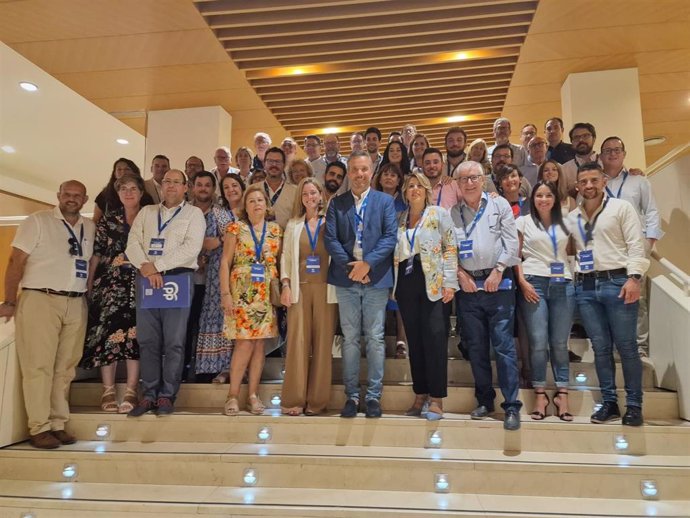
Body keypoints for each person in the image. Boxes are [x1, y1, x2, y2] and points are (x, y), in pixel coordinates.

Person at [1, 180, 95, 448]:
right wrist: (9, 300)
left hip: (75, 301)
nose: (72, 199)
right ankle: (39, 426)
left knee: (65, 368)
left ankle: (57, 422)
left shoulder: (89, 228)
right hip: (41, 298)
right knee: (38, 365)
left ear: (85, 199)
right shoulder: (37, 221)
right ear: (58, 196)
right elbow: (15, 260)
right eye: (67, 194)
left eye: (77, 196)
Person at [567, 162, 649, 426]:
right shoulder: (574, 218)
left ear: (603, 181)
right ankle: (610, 402)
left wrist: (634, 278)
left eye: (594, 180)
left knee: (626, 347)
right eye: (583, 182)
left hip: (618, 282)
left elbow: (637, 245)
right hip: (587, 286)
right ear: (578, 186)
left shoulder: (621, 208)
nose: (589, 186)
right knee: (600, 348)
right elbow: (570, 252)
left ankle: (634, 405)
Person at [125, 169, 206, 416]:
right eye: (167, 182)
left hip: (178, 279)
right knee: (148, 341)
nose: (170, 186)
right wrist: (148, 270)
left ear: (185, 188)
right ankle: (148, 395)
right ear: (161, 186)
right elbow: (132, 244)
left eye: (176, 182)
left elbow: (191, 248)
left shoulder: (194, 214)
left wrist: (157, 266)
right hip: (147, 280)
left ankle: (166, 396)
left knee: (174, 342)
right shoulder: (146, 212)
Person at [325, 151, 397, 418]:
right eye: (354, 169)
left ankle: (374, 396)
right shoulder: (337, 203)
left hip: (376, 278)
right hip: (346, 280)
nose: (359, 174)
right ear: (349, 171)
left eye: (364, 169)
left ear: (371, 172)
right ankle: (352, 396)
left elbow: (390, 237)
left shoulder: (384, 202)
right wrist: (352, 268)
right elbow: (331, 239)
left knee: (376, 339)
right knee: (351, 339)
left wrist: (368, 265)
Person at [451, 161, 522, 430]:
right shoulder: (452, 213)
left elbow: (512, 241)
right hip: (468, 288)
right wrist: (460, 274)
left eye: (474, 178)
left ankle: (512, 406)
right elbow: (448, 249)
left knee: (503, 347)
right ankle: (484, 399)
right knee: (477, 348)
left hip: (498, 285)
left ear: (483, 180)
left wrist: (499, 270)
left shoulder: (499, 205)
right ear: (457, 184)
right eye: (464, 179)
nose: (469, 183)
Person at [81, 173, 152, 414]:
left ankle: (132, 389)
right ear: (118, 193)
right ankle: (108, 389)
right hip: (110, 285)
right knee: (107, 335)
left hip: (141, 283)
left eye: (134, 188)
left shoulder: (151, 217)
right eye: (124, 189)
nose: (129, 193)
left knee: (135, 335)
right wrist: (90, 284)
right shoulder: (108, 221)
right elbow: (97, 253)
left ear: (141, 192)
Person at [394, 173, 458, 420]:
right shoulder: (400, 219)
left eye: (418, 185)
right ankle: (419, 393)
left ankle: (437, 398)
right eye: (410, 186)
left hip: (433, 281)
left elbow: (450, 247)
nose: (414, 189)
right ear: (405, 192)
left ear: (426, 189)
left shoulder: (438, 214)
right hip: (407, 283)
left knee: (434, 339)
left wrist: (450, 283)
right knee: (415, 341)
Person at [514, 180, 575, 421]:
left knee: (560, 343)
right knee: (538, 342)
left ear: (555, 198)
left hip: (563, 284)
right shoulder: (523, 221)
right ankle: (540, 393)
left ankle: (562, 393)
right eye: (539, 195)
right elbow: (515, 255)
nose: (543, 199)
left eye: (548, 195)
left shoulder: (568, 221)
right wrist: (522, 282)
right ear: (533, 198)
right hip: (533, 283)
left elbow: (574, 251)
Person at [220, 183, 282, 415]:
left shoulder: (276, 230)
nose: (256, 204)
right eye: (251, 201)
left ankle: (253, 395)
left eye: (260, 200)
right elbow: (225, 262)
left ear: (267, 205)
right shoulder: (235, 228)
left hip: (265, 294)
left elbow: (278, 261)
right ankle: (233, 395)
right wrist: (225, 293)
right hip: (241, 293)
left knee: (259, 346)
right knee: (244, 343)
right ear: (245, 206)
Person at [599, 136, 663, 354]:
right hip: (608, 247)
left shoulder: (639, 181)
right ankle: (615, 346)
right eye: (608, 150)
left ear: (624, 154)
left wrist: (649, 241)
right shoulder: (597, 183)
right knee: (611, 294)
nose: (613, 153)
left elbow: (652, 211)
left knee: (637, 296)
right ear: (601, 156)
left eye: (617, 149)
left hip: (636, 244)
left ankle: (640, 347)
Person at [280, 178, 337, 415]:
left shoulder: (330, 223)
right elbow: (285, 256)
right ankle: (294, 399)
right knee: (297, 343)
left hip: (326, 289)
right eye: (305, 194)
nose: (310, 197)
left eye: (314, 193)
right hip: (299, 288)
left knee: (323, 345)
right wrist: (285, 284)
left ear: (321, 195)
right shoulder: (293, 224)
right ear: (300, 198)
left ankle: (317, 401)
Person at [195, 173, 246, 383]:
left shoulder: (251, 210)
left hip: (246, 273)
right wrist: (225, 237)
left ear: (242, 187)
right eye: (226, 187)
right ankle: (223, 368)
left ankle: (243, 367)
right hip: (220, 273)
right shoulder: (217, 214)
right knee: (222, 318)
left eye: (235, 185)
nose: (231, 189)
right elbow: (206, 243)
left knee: (243, 319)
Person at [182, 171, 217, 382]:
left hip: (211, 282)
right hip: (185, 280)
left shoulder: (220, 214)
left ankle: (206, 371)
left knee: (207, 325)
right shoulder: (182, 213)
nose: (203, 188)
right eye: (199, 184)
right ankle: (182, 370)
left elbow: (223, 243)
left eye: (207, 185)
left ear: (213, 189)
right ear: (192, 187)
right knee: (184, 327)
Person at [373, 162, 408, 358]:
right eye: (384, 174)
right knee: (377, 299)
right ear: (378, 178)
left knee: (399, 298)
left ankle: (401, 340)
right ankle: (380, 340)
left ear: (399, 180)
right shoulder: (371, 200)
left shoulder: (405, 202)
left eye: (393, 175)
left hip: (398, 254)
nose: (388, 177)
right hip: (377, 256)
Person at [92, 158, 152, 223]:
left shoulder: (146, 198)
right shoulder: (104, 195)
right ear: (114, 173)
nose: (123, 172)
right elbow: (95, 220)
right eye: (119, 169)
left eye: (127, 169)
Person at [262, 146, 298, 229]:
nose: (274, 165)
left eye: (278, 162)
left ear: (284, 165)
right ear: (264, 164)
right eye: (270, 161)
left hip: (286, 240)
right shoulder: (253, 190)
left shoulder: (295, 191)